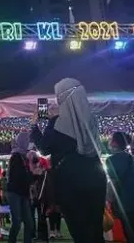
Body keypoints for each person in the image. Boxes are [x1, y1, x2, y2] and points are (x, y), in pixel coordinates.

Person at [30, 78, 107, 243]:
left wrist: (35, 126)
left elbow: (44, 149)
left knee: (79, 230)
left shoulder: (58, 124)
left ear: (63, 97)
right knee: (95, 229)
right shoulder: (92, 121)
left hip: (70, 178)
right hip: (96, 173)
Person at [6, 133, 33, 243]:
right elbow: (18, 176)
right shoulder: (16, 157)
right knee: (17, 222)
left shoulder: (24, 156)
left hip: (23, 192)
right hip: (15, 192)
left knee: (29, 223)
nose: (28, 144)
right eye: (27, 141)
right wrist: (32, 174)